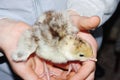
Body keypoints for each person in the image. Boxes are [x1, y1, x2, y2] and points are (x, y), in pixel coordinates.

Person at [0, 0, 119, 80]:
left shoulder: (70, 38)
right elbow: (40, 48)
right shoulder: (53, 47)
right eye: (82, 55)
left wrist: (81, 12)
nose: (92, 58)